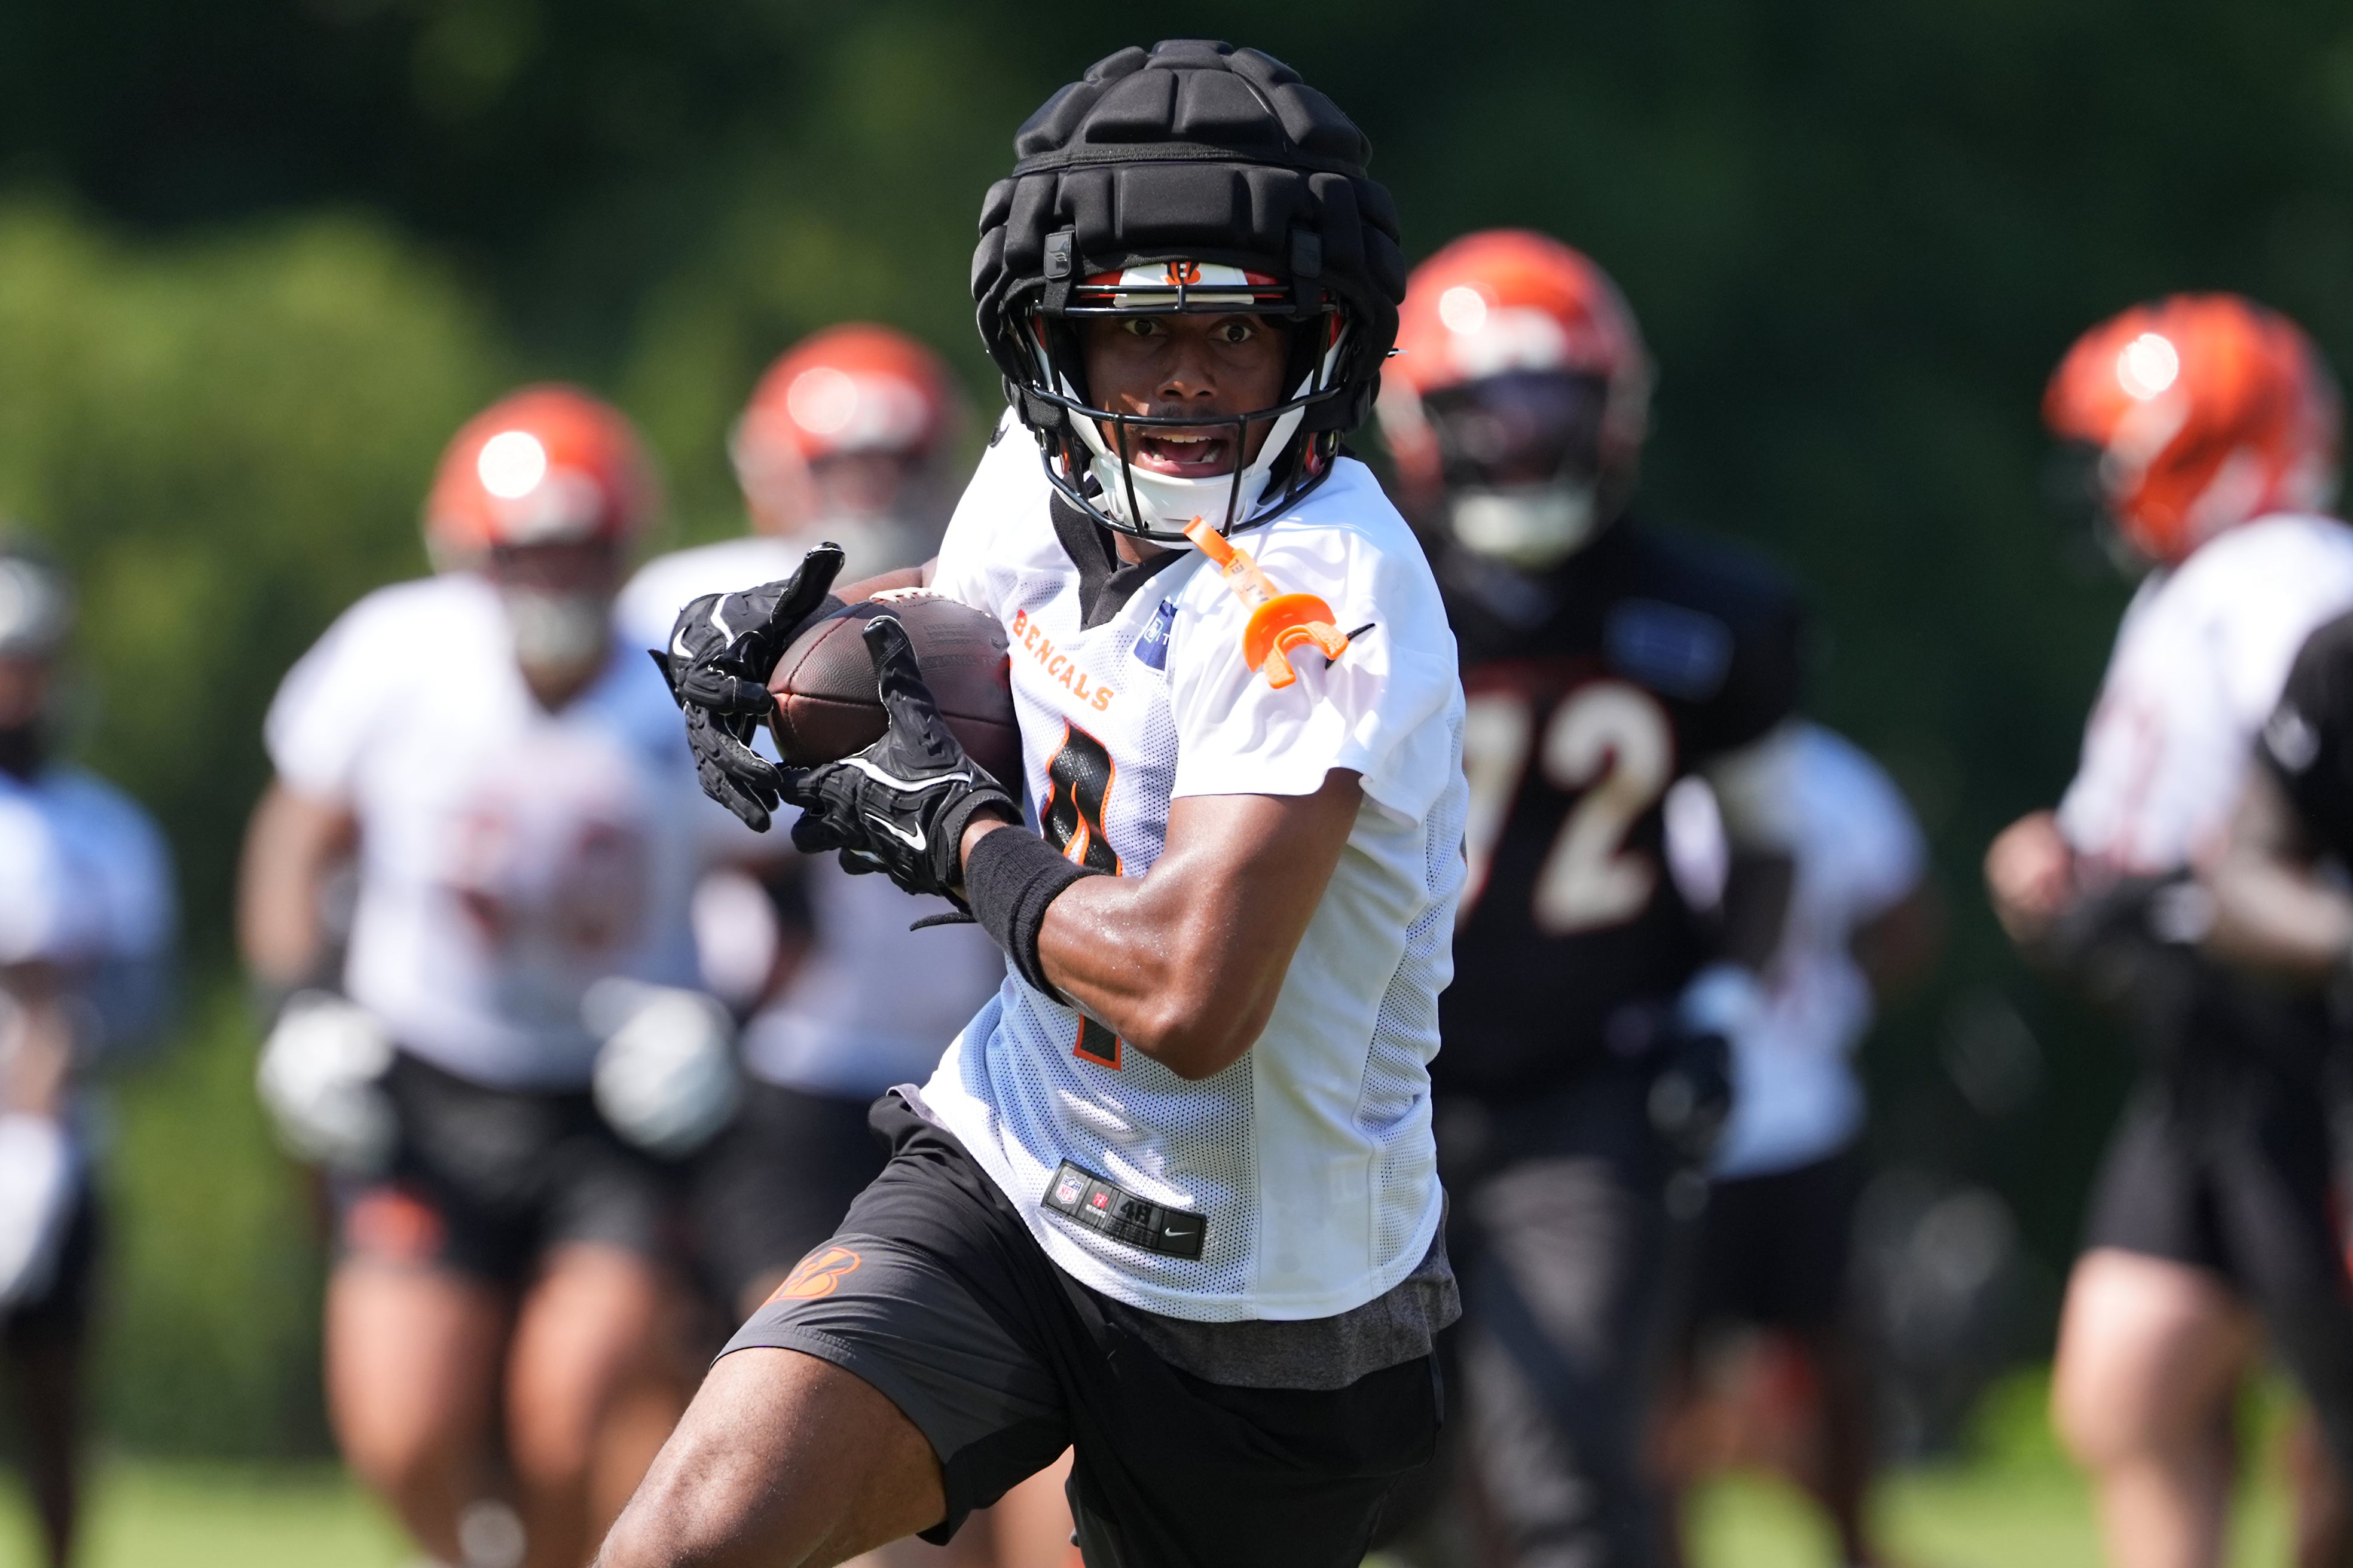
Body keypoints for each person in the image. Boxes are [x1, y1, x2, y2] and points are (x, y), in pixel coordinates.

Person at [600, 38, 1464, 1568]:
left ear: (1322, 342)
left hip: (1270, 1293)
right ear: (1050, 347)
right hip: (1012, 1167)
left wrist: (955, 833)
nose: (1184, 378)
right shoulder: (1036, 467)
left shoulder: (1323, 594)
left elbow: (1192, 991)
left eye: (1236, 333)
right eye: (1132, 337)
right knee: (679, 1542)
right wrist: (778, 649)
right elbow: (966, 623)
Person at [240, 387, 750, 1568]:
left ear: (625, 548)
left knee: (571, 1417)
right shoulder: (397, 654)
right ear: (467, 553)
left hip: (613, 1107)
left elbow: (783, 883)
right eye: (526, 550)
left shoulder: (683, 691)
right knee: (403, 1429)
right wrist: (297, 1010)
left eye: (579, 549)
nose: (552, 578)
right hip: (427, 1080)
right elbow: (293, 843)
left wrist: (722, 1014)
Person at [1374, 228, 1805, 1568]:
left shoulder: (1708, 612)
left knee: (1564, 1460)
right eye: (1486, 414)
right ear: (1418, 423)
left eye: (1550, 410)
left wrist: (1723, 1001)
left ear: (1613, 415)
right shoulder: (1349, 597)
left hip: (1594, 1085)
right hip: (1373, 1087)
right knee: (1381, 1467)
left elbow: (1768, 846)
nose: (1519, 444)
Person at [618, 329, 1042, 1568]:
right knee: (795, 1413)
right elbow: (597, 833)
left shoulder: (991, 598)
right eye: (835, 461)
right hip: (777, 1069)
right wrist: (665, 995)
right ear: (773, 470)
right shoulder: (680, 611)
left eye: (891, 458)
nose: (862, 490)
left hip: (982, 1072)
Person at [1984, 294, 2353, 1568]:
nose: (2105, 484)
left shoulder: (2291, 581)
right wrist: (2071, 871)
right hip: (2204, 1039)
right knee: (2127, 1388)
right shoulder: (2195, 590)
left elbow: (2303, 800)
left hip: (2301, 1039)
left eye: (2121, 453)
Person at [1657, 722, 1939, 1568]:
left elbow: (1908, 916)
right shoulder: (1652, 765)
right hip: (1664, 1119)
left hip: (1799, 1111)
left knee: (1833, 1355)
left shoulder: (1828, 780)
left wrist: (1840, 1002)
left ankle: (1854, 1543)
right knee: (1662, 1373)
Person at [0, 537, 176, 1568]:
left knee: (53, 1392)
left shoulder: (106, 831)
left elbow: (141, 1004)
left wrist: (75, 1031)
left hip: (56, 1155)